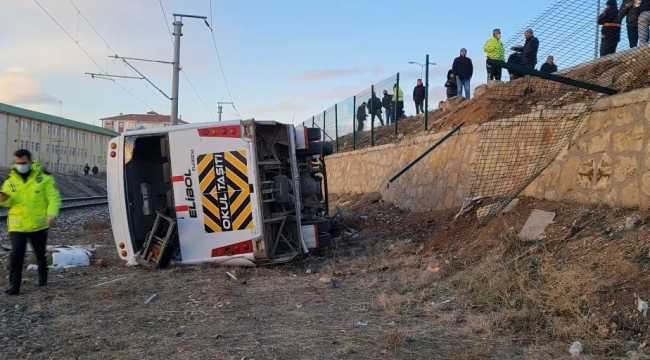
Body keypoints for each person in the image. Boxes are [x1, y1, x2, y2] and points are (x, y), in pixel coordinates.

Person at [0, 149, 61, 295]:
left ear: (30, 161)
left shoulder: (44, 179)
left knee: (40, 252)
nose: (20, 165)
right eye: (17, 163)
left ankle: (42, 272)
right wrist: (3, 199)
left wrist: (51, 215)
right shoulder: (10, 181)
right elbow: (7, 203)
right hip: (17, 225)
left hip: (38, 225)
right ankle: (14, 285)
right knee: (17, 254)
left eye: (23, 163)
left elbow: (54, 198)